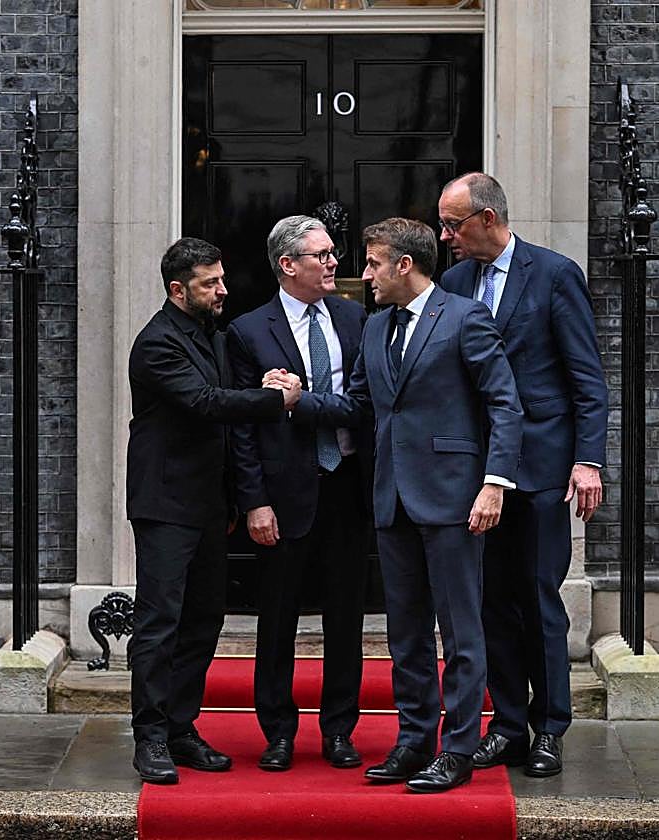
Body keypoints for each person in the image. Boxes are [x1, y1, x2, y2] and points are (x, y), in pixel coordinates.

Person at [282, 217, 522, 793]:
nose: (362, 275)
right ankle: (414, 741)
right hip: (390, 498)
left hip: (456, 499)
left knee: (460, 633)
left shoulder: (466, 319)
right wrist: (300, 400)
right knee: (406, 634)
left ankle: (458, 748)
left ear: (404, 266)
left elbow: (505, 406)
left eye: (371, 264)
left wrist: (494, 484)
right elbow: (361, 404)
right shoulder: (374, 328)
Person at [437, 173, 609, 778]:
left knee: (538, 598)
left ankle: (550, 727)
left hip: (539, 466)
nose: (446, 235)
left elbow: (586, 377)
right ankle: (508, 724)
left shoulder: (554, 274)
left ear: (488, 218)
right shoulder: (454, 283)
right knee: (490, 602)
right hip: (475, 471)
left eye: (454, 224)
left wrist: (588, 460)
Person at [126, 236, 302, 785]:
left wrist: (268, 382)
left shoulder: (214, 337)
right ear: (179, 290)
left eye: (222, 278)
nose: (223, 289)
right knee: (160, 625)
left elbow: (231, 392)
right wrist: (278, 400)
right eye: (211, 283)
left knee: (204, 622)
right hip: (164, 504)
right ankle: (150, 738)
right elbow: (205, 404)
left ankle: (181, 728)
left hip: (206, 505)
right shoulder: (157, 344)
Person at [226, 215, 371, 773]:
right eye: (322, 255)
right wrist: (253, 501)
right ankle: (279, 733)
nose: (335, 262)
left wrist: (300, 400)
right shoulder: (249, 331)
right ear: (288, 265)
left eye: (334, 253)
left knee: (345, 620)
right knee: (278, 618)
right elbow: (241, 428)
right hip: (282, 495)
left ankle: (339, 731)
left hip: (347, 488)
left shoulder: (356, 318)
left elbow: (363, 405)